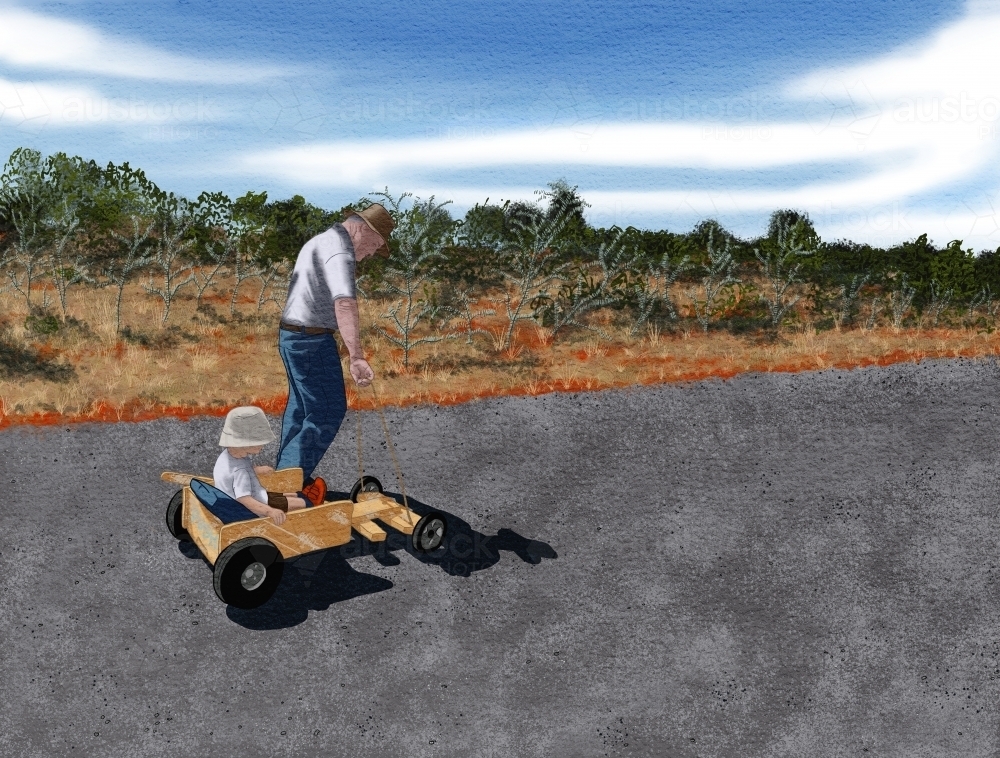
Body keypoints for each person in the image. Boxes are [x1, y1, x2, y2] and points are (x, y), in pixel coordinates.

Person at [274, 203, 395, 503]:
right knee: (326, 411)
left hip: (291, 335)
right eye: (374, 245)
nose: (368, 255)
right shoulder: (341, 251)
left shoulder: (319, 240)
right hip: (311, 341)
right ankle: (286, 491)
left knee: (301, 410)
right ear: (362, 229)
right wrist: (356, 356)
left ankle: (284, 478)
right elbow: (344, 303)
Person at [213, 405, 316, 526]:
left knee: (291, 494)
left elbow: (232, 476)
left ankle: (305, 496)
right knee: (302, 503)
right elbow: (244, 499)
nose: (262, 445)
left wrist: (255, 470)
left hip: (257, 496)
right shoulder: (240, 471)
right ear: (246, 442)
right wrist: (270, 511)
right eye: (259, 442)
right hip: (255, 507)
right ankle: (312, 503)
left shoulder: (229, 456)